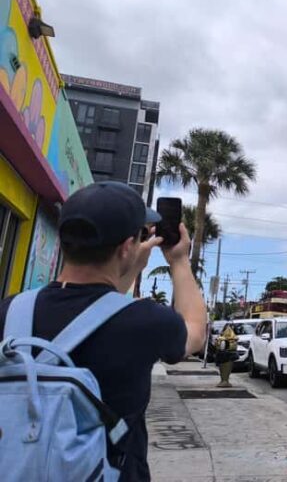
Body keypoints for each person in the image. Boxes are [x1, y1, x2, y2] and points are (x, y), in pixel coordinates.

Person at [0, 181, 207, 481]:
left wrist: (128, 266)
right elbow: (196, 332)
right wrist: (178, 261)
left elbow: (99, 306)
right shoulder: (144, 322)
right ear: (126, 248)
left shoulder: (10, 311)